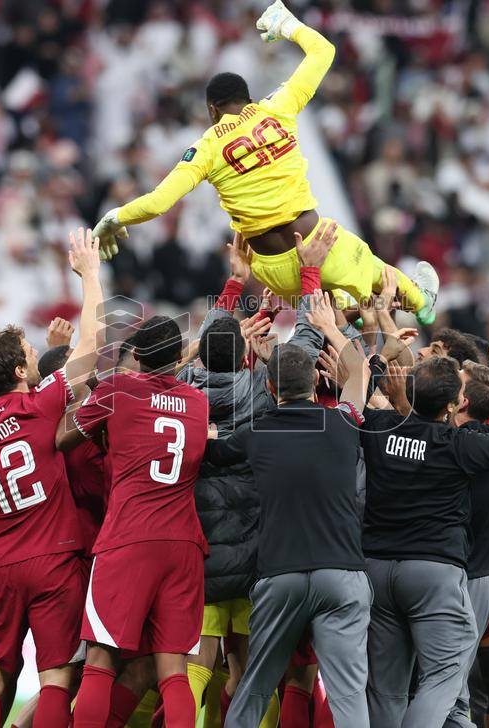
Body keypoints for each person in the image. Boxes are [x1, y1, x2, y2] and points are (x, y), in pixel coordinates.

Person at [91, 0, 440, 323]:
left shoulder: (206, 147)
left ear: (212, 110)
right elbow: (324, 50)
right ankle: (421, 300)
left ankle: (355, 312)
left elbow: (158, 202)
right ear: (249, 99)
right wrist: (287, 24)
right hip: (316, 244)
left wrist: (112, 217)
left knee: (345, 309)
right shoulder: (278, 107)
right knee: (378, 272)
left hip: (272, 272)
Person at [175, 226, 331, 725]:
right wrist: (309, 274)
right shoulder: (262, 392)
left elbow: (207, 342)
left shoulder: (182, 393)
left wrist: (233, 286)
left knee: (199, 655)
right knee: (250, 659)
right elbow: (303, 346)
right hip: (256, 538)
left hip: (200, 534)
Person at [0, 228, 105, 728]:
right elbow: (92, 343)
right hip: (53, 557)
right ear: (23, 370)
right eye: (28, 350)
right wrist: (90, 275)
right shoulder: (42, 406)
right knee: (56, 678)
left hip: (0, 561)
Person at [352, 343, 489, 728]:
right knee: (444, 676)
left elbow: (355, 404)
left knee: (385, 687)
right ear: (453, 405)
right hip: (433, 571)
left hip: (376, 570)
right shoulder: (459, 445)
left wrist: (377, 358)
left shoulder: (380, 427)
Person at [205, 320, 373, 728]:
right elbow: (361, 370)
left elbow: (210, 449)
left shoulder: (255, 433)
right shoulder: (345, 422)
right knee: (349, 693)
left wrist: (264, 365)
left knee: (256, 687)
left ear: (269, 389)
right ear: (316, 381)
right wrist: (331, 326)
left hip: (282, 576)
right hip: (342, 573)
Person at [63, 315, 211, 728]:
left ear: (137, 356)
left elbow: (63, 438)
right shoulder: (198, 402)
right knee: (174, 671)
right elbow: (163, 393)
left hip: (128, 539)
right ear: (177, 357)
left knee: (99, 662)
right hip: (183, 545)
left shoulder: (116, 389)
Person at [445, 361, 489, 728]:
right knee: (452, 683)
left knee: (451, 685)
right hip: (473, 573)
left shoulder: (458, 444)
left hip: (469, 575)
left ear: (463, 400)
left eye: (456, 383)